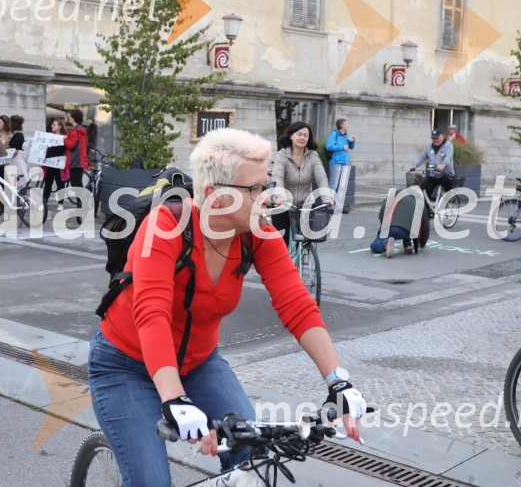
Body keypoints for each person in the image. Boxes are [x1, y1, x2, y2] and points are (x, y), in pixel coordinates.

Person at [88, 128, 366, 485]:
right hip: (126, 365)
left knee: (253, 456)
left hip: (199, 364)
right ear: (214, 196)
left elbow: (297, 305)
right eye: (255, 190)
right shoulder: (166, 226)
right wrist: (175, 399)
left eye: (266, 187)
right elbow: (152, 314)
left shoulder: (258, 232)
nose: (266, 198)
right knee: (151, 481)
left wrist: (339, 381)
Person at [270, 121, 333, 246]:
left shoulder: (313, 156)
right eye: (299, 134)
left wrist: (327, 197)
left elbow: (321, 178)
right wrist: (280, 196)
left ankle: (305, 258)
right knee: (280, 242)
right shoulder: (282, 155)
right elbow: (277, 177)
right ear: (291, 136)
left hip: (305, 203)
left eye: (306, 135)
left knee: (307, 239)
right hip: (284, 203)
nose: (302, 138)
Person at [370, 177, 430, 258]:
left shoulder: (398, 192)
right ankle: (408, 245)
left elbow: (384, 209)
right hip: (411, 232)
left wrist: (383, 223)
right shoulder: (421, 200)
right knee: (408, 222)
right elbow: (426, 225)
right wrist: (422, 243)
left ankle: (386, 244)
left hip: (393, 228)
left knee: (375, 245)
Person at [409, 129, 454, 201]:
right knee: (425, 190)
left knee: (447, 185)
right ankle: (426, 208)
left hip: (446, 173)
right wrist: (414, 166)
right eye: (433, 138)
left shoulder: (448, 145)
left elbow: (448, 157)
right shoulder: (429, 147)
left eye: (437, 138)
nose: (435, 140)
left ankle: (451, 199)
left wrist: (443, 165)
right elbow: (422, 157)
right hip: (434, 174)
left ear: (441, 137)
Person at [63, 110, 88, 222]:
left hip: (75, 161)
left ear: (73, 118)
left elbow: (71, 144)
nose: (69, 117)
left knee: (76, 185)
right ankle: (81, 207)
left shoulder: (74, 131)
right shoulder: (82, 130)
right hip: (80, 161)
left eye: (70, 116)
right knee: (78, 183)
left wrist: (64, 139)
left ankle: (82, 205)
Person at [325, 119, 355, 211]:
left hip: (345, 162)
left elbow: (351, 147)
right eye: (346, 124)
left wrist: (352, 141)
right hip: (336, 161)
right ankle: (330, 205)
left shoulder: (347, 136)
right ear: (341, 126)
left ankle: (339, 206)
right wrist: (342, 147)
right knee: (333, 184)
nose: (348, 125)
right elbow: (328, 146)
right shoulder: (334, 134)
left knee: (342, 185)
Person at [43, 118, 69, 216]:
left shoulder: (65, 138)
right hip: (50, 163)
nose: (52, 126)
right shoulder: (49, 135)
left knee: (60, 183)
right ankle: (44, 201)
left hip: (59, 164)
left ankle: (60, 203)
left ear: (60, 126)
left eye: (54, 124)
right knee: (48, 183)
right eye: (52, 124)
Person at [7, 115, 29, 184]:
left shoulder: (17, 136)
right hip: (17, 161)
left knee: (16, 184)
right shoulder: (18, 135)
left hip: (16, 162)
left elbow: (15, 151)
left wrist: (6, 157)